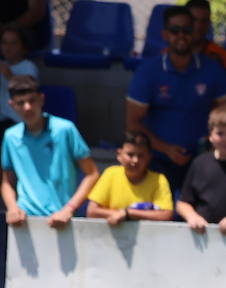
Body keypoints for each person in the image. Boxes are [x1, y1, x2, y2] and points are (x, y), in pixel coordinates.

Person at [126, 5, 226, 190]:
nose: (181, 36)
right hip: (157, 160)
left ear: (194, 33)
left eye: (186, 30)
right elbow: (132, 124)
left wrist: (213, 144)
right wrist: (166, 149)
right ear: (165, 34)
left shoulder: (213, 70)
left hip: (203, 159)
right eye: (175, 30)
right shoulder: (148, 71)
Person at [2, 76, 98, 228]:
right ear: (12, 105)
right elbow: (6, 182)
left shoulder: (65, 130)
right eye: (21, 103)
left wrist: (69, 209)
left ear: (41, 99)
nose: (27, 107)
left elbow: (92, 174)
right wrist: (13, 208)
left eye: (32, 100)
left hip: (63, 220)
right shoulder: (10, 137)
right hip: (25, 222)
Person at [85, 130, 174, 225]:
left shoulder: (159, 180)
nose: (135, 160)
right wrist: (121, 214)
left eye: (141, 156)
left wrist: (128, 213)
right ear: (119, 155)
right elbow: (92, 211)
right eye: (130, 155)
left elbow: (166, 214)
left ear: (149, 157)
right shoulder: (110, 174)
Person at [0, 27, 37, 132]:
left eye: (14, 43)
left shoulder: (28, 66)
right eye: (4, 43)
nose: (8, 47)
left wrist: (9, 75)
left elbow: (28, 88)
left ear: (24, 47)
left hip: (18, 122)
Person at [186, 0, 226, 72]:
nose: (198, 26)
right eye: (194, 20)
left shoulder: (221, 56)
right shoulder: (168, 55)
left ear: (209, 24)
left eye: (204, 21)